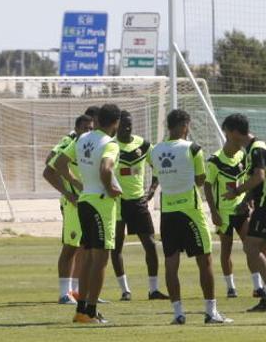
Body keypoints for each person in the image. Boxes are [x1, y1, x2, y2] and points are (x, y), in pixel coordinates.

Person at [151, 109, 231, 325]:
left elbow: (157, 176)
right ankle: (211, 312)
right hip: (190, 211)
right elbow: (199, 180)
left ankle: (178, 314)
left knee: (170, 263)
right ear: (185, 125)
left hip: (168, 213)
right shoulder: (193, 149)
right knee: (204, 260)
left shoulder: (155, 150)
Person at [59, 104, 122, 324]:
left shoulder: (82, 138)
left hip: (85, 201)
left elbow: (59, 163)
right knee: (100, 259)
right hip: (101, 204)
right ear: (115, 123)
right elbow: (106, 169)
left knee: (86, 258)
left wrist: (76, 181)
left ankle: (82, 309)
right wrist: (111, 188)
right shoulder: (110, 143)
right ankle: (91, 311)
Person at [223, 114, 266, 309]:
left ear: (234, 132)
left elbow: (259, 177)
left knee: (250, 247)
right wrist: (247, 199)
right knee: (265, 250)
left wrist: (237, 192)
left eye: (227, 134)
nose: (226, 138)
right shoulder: (253, 148)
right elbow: (259, 182)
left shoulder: (257, 148)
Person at [111, 110, 167, 301]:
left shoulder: (143, 145)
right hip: (116, 203)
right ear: (116, 124)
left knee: (150, 245)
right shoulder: (110, 145)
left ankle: (153, 290)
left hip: (137, 202)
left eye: (130, 123)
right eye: (124, 123)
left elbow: (157, 167)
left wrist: (151, 191)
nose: (128, 126)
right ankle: (125, 290)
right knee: (116, 247)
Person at [43, 114, 93, 305]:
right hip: (73, 203)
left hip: (87, 202)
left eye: (92, 128)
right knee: (71, 246)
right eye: (87, 128)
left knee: (83, 247)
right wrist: (68, 192)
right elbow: (49, 168)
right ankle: (64, 293)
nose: (90, 132)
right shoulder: (69, 141)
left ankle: (78, 291)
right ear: (78, 128)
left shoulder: (89, 145)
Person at [204, 116, 250, 299]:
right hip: (224, 212)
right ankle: (231, 287)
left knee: (251, 247)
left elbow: (246, 180)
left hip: (241, 209)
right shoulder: (215, 161)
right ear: (229, 135)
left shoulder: (243, 156)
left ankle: (258, 285)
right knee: (226, 249)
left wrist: (247, 200)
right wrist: (214, 213)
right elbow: (207, 186)